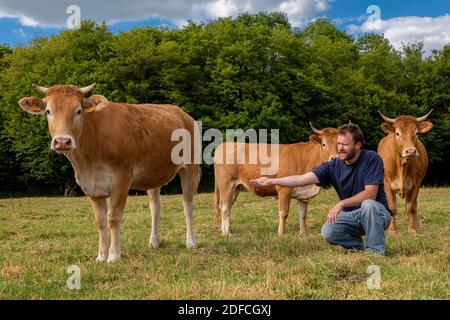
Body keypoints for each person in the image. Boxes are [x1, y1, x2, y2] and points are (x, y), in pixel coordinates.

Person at [251, 123, 392, 255]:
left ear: (358, 145)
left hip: (378, 214)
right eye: (338, 144)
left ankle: (375, 251)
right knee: (328, 231)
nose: (340, 148)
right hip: (352, 216)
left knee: (368, 205)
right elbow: (301, 179)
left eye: (345, 145)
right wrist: (271, 180)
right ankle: (358, 247)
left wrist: (341, 204)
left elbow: (370, 194)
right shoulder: (333, 165)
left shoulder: (371, 159)